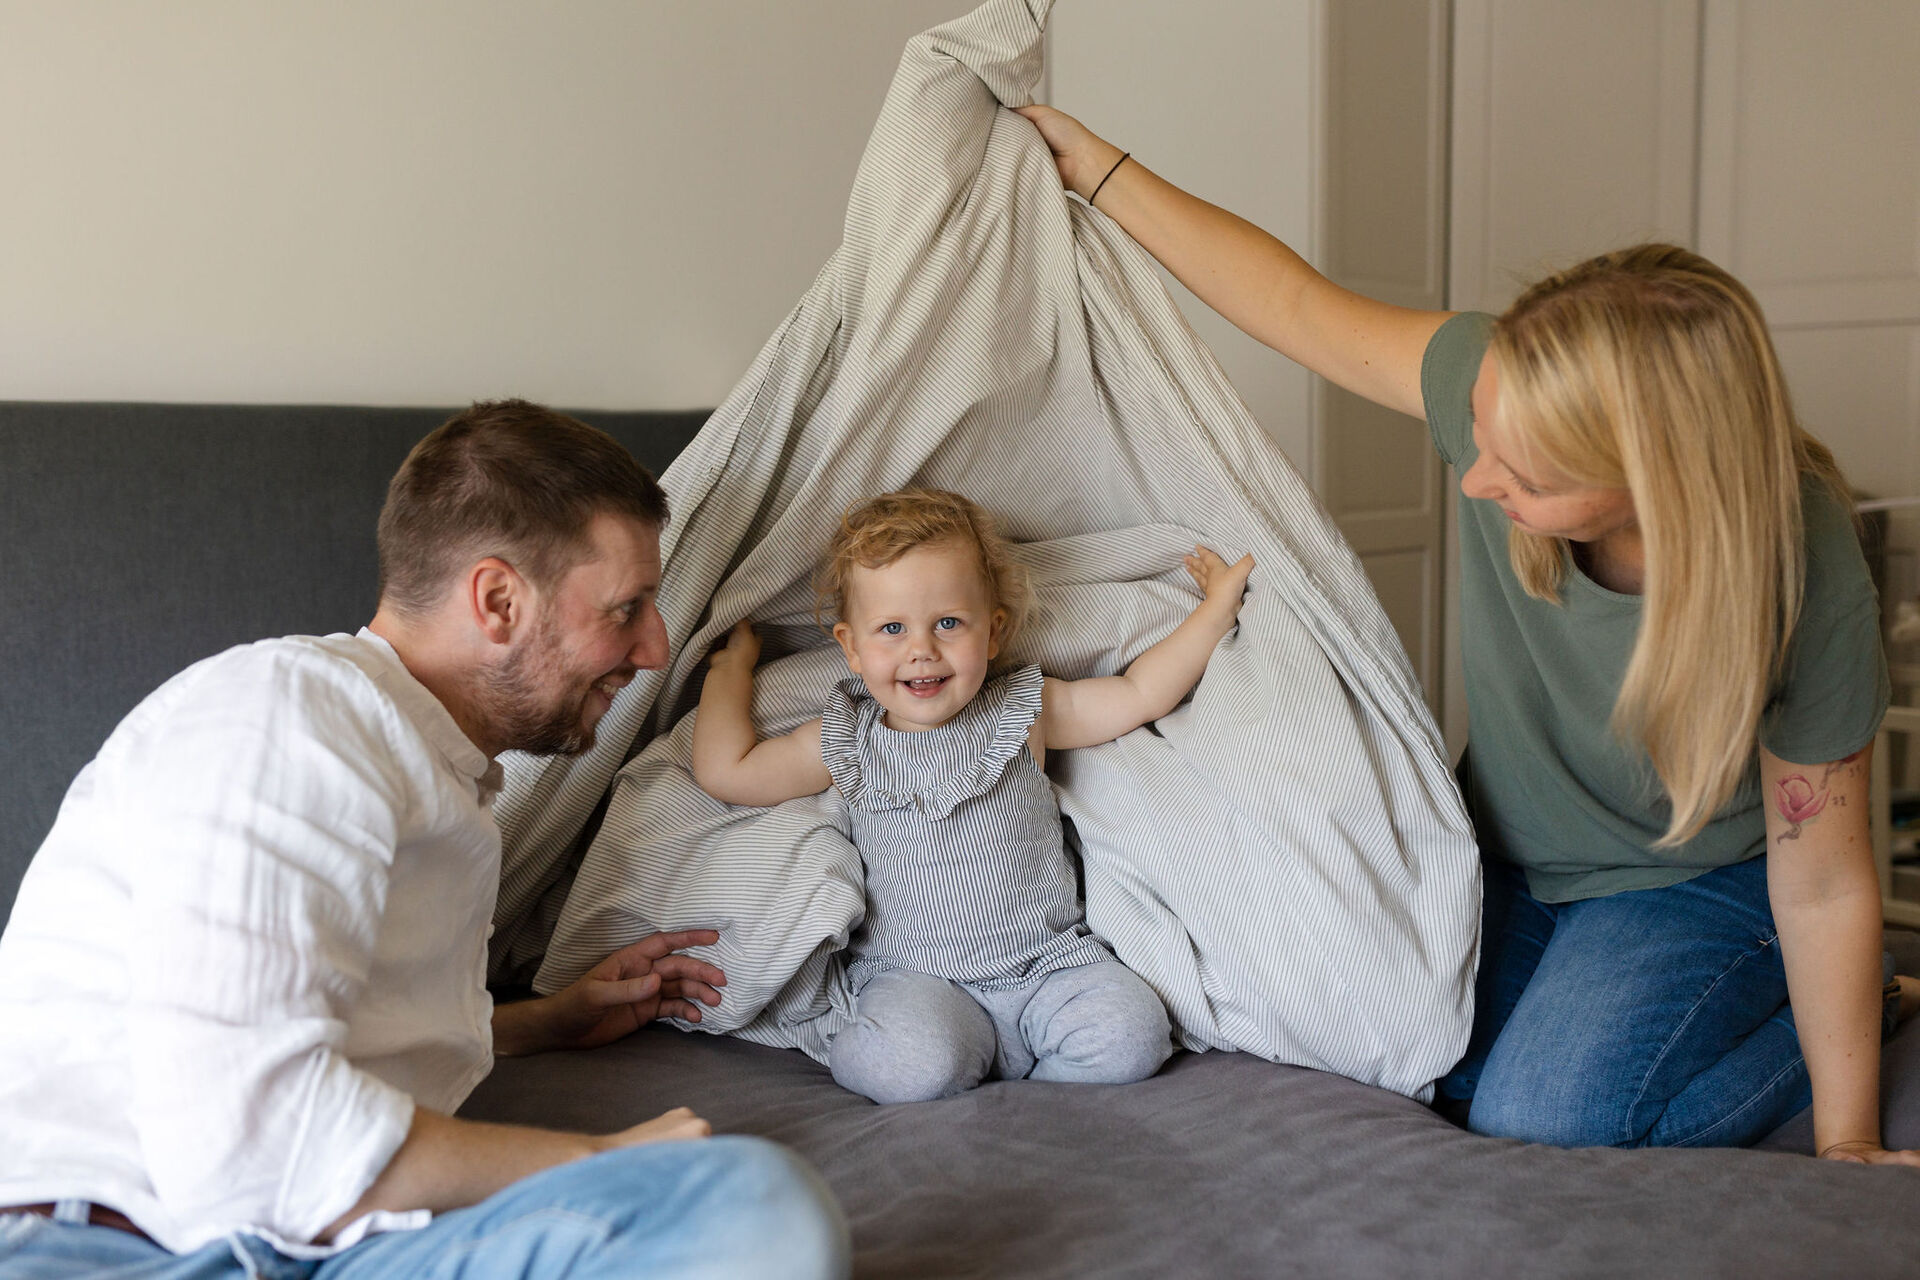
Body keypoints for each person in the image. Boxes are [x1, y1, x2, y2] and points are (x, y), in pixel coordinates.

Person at [1016, 105, 1920, 1163]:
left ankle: (1857, 1001)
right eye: (1482, 437)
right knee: (1409, 1058)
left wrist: (1848, 1135)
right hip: (1511, 851)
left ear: (1654, 482)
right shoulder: (1499, 378)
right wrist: (1098, 169)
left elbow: (1823, 875)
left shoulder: (1802, 571)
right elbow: (1293, 302)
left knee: (1541, 1118)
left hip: (1697, 882)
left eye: (1525, 476)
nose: (1477, 480)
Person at [0, 400, 851, 1277]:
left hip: (317, 1242)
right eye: (627, 608)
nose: (655, 649)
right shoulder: (290, 718)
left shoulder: (434, 769)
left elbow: (311, 1027)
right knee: (746, 1201)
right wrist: (603, 1160)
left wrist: (539, 1024)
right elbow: (252, 1146)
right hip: (105, 1247)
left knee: (755, 1214)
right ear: (498, 600)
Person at [691, 487, 1250, 1104]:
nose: (921, 650)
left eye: (949, 623)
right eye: (892, 628)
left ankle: (1033, 1106)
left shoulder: (1023, 710)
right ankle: (963, 1073)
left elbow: (1140, 693)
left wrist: (1215, 610)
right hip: (919, 979)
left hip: (1049, 965)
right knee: (909, 1065)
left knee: (1132, 1034)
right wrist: (729, 673)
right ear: (851, 647)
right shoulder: (847, 738)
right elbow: (730, 772)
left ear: (993, 631)